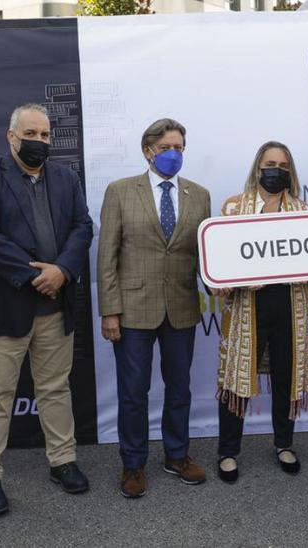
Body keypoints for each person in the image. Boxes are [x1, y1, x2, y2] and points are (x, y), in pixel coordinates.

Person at [0, 103, 94, 517]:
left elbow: (82, 226)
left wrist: (63, 270)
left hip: (55, 307)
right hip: (6, 309)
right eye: (31, 134)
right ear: (11, 137)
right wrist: (36, 274)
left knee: (55, 390)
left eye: (45, 135)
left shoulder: (65, 177)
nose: (40, 142)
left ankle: (62, 461)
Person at [98, 118, 211, 498]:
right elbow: (106, 255)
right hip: (132, 310)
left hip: (181, 306)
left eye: (179, 147)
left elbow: (205, 254)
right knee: (133, 391)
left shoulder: (200, 194)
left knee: (179, 388)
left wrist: (226, 284)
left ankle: (177, 455)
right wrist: (109, 311)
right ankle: (133, 464)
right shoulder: (119, 191)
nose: (173, 154)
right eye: (165, 148)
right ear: (148, 151)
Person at [212, 141, 308, 484]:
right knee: (238, 378)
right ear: (258, 168)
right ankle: (228, 451)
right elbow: (220, 259)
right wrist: (231, 281)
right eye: (270, 163)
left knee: (288, 375)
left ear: (291, 172)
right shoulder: (234, 208)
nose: (276, 170)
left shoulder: (304, 211)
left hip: (291, 304)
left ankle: (284, 444)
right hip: (248, 306)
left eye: (283, 165)